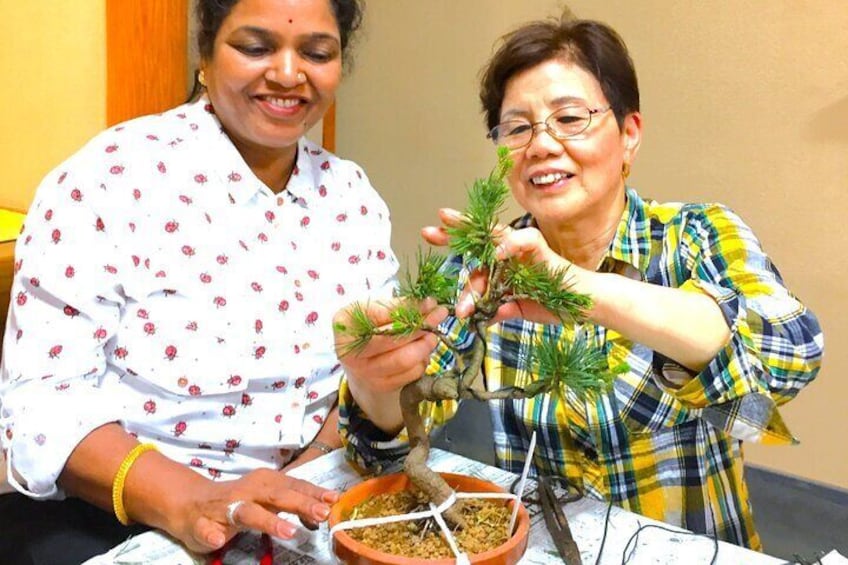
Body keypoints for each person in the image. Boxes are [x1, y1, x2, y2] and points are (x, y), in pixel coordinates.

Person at [335, 12, 823, 550]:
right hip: (545, 543)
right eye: (517, 127)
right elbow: (377, 453)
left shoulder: (696, 234)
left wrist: (576, 287)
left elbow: (791, 354)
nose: (540, 145)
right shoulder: (487, 269)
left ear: (629, 134)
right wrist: (374, 379)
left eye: (570, 118)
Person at [0, 0, 399, 562]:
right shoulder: (111, 177)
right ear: (205, 56)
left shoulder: (353, 198)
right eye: (255, 48)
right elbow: (43, 401)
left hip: (301, 501)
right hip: (121, 510)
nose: (289, 74)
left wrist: (316, 460)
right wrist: (196, 501)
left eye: (316, 52)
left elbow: (358, 378)